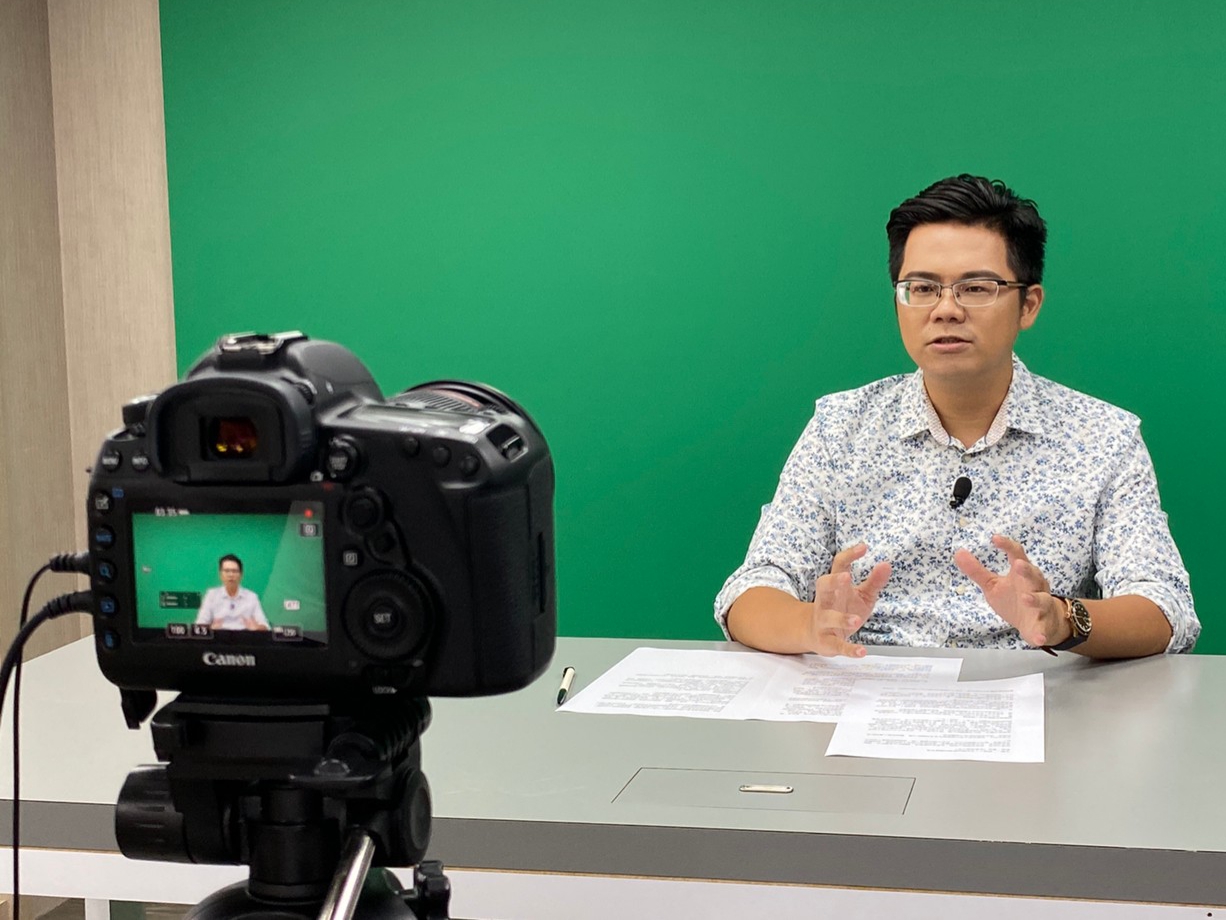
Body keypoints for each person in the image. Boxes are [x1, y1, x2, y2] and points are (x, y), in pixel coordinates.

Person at [714, 175, 1198, 660]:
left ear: (1028, 305)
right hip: (867, 688)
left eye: (976, 287)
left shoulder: (1103, 438)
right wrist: (810, 626)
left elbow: (1164, 608)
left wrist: (1061, 619)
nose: (946, 310)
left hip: (1038, 690)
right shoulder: (840, 427)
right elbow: (751, 590)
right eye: (922, 288)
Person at [196, 553, 270, 631]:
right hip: (218, 635)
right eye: (227, 571)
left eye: (234, 571)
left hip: (245, 636)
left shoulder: (251, 597)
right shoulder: (212, 595)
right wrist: (211, 628)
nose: (231, 575)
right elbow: (200, 624)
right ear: (220, 574)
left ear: (241, 574)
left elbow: (265, 626)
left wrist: (256, 628)